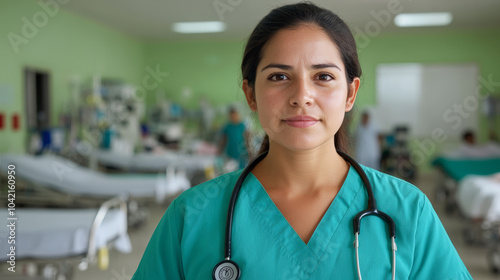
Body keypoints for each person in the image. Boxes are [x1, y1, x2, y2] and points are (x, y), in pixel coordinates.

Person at [132, 3, 471, 279]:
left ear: (350, 93)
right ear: (251, 94)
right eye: (279, 77)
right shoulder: (191, 215)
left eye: (323, 77)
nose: (301, 96)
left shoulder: (408, 210)